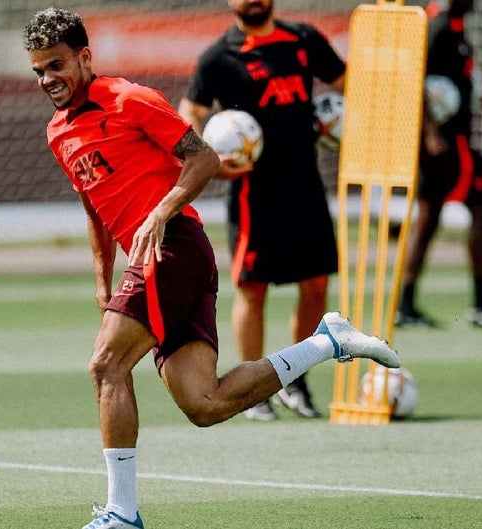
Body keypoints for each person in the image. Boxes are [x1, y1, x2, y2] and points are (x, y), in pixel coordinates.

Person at [23, 8, 400, 529]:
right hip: (157, 258)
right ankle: (326, 342)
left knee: (106, 365)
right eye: (39, 70)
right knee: (206, 403)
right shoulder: (57, 132)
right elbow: (95, 205)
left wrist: (161, 212)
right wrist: (101, 279)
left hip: (173, 247)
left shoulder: (129, 99)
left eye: (56, 65)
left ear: (84, 57)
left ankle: (121, 513)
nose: (47, 79)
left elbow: (203, 158)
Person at [178, 0, 346, 421]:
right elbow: (191, 110)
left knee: (316, 285)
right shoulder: (219, 57)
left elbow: (348, 82)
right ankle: (255, 393)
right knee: (253, 289)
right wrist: (207, 156)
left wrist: (340, 122)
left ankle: (297, 380)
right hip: (253, 192)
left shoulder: (303, 39)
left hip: (306, 184)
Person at [397, 0, 482, 329]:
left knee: (431, 219)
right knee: (478, 208)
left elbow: (452, 83)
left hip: (451, 140)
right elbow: (414, 79)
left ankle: (406, 304)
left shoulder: (454, 28)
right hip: (445, 142)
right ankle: (481, 303)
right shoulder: (437, 29)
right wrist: (430, 131)